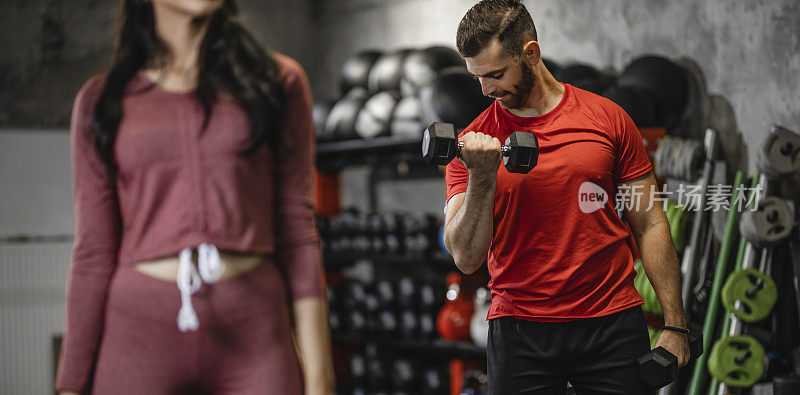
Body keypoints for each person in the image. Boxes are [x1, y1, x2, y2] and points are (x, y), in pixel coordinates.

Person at [54, 0, 334, 394]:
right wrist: (70, 385)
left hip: (254, 330)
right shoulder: (102, 101)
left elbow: (297, 229)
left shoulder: (277, 82)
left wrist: (321, 379)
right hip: (138, 332)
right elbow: (94, 250)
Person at [442, 1, 689, 394]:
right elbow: (466, 257)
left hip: (611, 321)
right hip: (520, 330)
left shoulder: (608, 119)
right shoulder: (474, 146)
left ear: (531, 54)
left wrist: (675, 325)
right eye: (478, 78)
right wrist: (482, 179)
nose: (487, 91)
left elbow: (651, 222)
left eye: (496, 74)